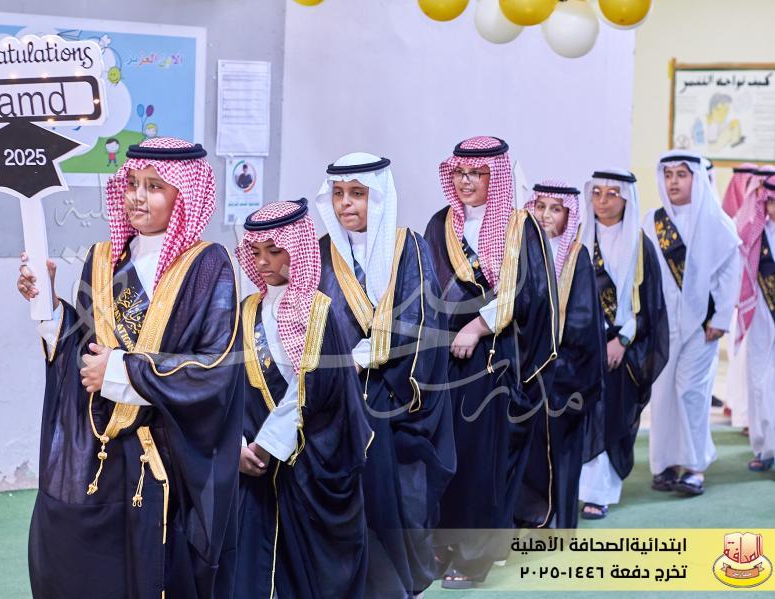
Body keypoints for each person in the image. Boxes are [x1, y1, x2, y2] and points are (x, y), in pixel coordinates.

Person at [17, 137, 243, 598]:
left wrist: (121, 373)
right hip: (103, 451)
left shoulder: (207, 265)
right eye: (132, 184)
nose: (138, 196)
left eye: (154, 186)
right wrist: (47, 304)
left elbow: (215, 364)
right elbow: (81, 346)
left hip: (168, 456)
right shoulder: (103, 260)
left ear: (184, 196)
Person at [316, 152, 455, 598]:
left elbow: (419, 319)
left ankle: (402, 581)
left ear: (377, 197)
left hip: (396, 393)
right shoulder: (322, 252)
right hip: (338, 395)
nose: (345, 204)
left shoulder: (408, 247)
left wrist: (365, 357)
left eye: (357, 193)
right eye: (338, 194)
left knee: (401, 496)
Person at [424, 136, 557, 588]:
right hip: (444, 360)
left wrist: (479, 326)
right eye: (459, 173)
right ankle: (442, 543)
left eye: (477, 173)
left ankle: (474, 555)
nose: (466, 181)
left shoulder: (521, 227)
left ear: (495, 177)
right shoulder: (440, 224)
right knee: (446, 454)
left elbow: (529, 291)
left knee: (482, 458)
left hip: (493, 361)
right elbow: (425, 285)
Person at [233, 199, 372, 599]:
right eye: (256, 253)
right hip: (255, 463)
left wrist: (268, 443)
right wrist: (238, 445)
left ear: (297, 250)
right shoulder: (246, 311)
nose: (263, 262)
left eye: (274, 251)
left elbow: (315, 388)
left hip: (309, 462)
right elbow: (230, 386)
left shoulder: (319, 312)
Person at [643, 150, 740, 496]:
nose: (674, 182)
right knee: (663, 394)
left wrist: (721, 318)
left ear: (696, 178)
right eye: (668, 174)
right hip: (662, 326)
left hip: (703, 326)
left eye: (681, 175)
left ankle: (695, 466)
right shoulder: (652, 222)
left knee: (691, 393)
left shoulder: (717, 222)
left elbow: (730, 273)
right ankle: (666, 463)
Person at [578, 170, 669, 520]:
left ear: (626, 198)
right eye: (597, 192)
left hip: (623, 348)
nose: (603, 200)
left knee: (612, 415)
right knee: (584, 415)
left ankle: (600, 492)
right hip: (583, 345)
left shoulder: (641, 245)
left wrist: (622, 340)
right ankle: (581, 487)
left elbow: (650, 304)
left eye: (612, 194)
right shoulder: (580, 239)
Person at [515, 181, 606, 529]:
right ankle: (526, 515)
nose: (546, 215)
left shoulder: (576, 256)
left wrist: (549, 350)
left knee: (559, 450)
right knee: (526, 447)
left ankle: (557, 521)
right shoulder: (521, 250)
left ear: (569, 214)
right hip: (525, 368)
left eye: (555, 208)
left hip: (564, 372)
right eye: (540, 206)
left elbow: (582, 318)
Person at [733, 176, 775, 472]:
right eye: (771, 201)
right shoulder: (754, 233)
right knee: (760, 381)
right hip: (761, 313)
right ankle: (765, 448)